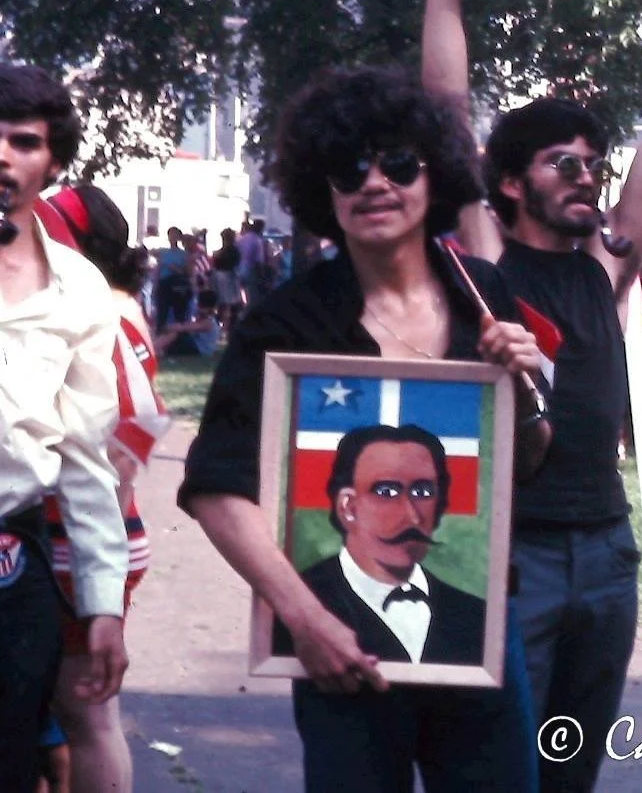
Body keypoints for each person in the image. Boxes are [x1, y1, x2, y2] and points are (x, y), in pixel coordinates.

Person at [418, 0, 642, 792]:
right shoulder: (487, 259)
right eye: (564, 164)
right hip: (514, 553)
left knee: (570, 767)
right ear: (511, 183)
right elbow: (447, 107)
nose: (587, 177)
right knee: (499, 766)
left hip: (605, 551)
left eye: (593, 163)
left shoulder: (607, 263)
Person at [178, 67, 547, 793]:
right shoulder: (286, 323)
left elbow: (526, 462)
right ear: (324, 189)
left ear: (435, 175)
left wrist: (526, 394)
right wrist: (304, 619)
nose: (375, 183)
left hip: (477, 636)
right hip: (337, 647)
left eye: (399, 163)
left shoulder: (484, 294)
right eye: (350, 169)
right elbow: (218, 487)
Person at [0, 65, 129, 793]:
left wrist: (103, 603)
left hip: (12, 565)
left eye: (23, 142)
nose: (2, 156)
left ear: (51, 163)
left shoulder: (78, 287)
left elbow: (85, 456)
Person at [35, 184, 172, 793]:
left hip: (77, 536)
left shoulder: (93, 312)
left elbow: (125, 430)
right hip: (101, 530)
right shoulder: (123, 308)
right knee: (80, 716)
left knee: (85, 717)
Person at [275, 425, 487, 667]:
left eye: (422, 492)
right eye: (386, 492)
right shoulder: (298, 607)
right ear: (348, 507)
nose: (411, 516)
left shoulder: (475, 616)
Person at [236, 219, 271, 309]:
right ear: (260, 228)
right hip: (251, 272)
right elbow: (258, 262)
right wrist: (263, 277)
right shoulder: (257, 241)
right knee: (252, 300)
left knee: (240, 296)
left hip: (238, 270)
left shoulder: (242, 238)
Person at [211, 227, 241, 325]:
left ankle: (225, 324)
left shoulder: (230, 251)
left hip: (226, 277)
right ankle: (225, 324)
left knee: (225, 304)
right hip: (226, 277)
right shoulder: (233, 251)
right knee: (226, 304)